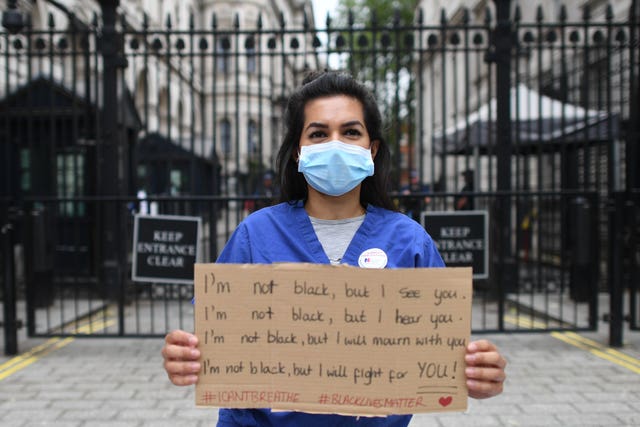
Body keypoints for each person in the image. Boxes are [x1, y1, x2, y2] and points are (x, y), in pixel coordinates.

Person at [162, 71, 506, 426]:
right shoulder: (255, 234)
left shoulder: (410, 243)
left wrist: (479, 374)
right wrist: (185, 358)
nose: (335, 144)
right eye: (319, 134)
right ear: (299, 151)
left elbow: (445, 357)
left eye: (351, 132)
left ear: (371, 150)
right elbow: (213, 343)